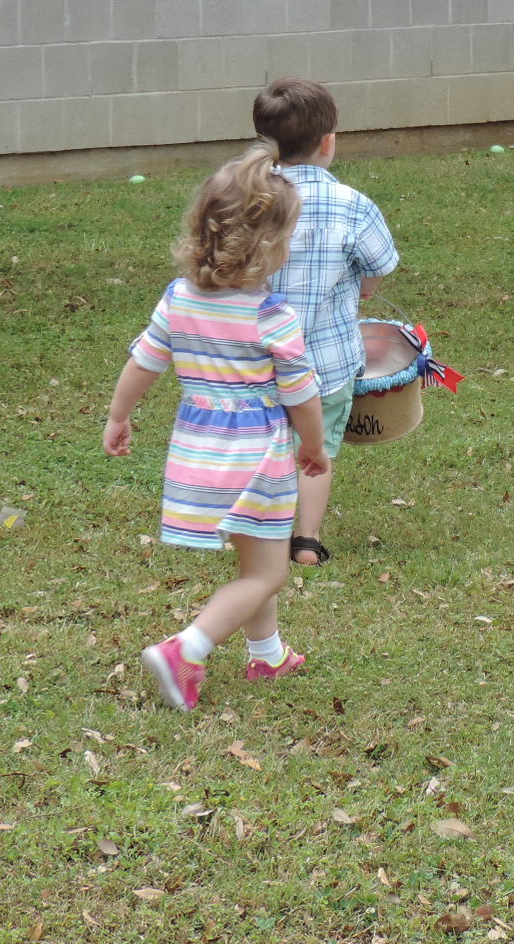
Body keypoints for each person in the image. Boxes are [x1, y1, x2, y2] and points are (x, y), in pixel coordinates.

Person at [103, 147, 332, 712]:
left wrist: (118, 415)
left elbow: (144, 363)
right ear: (266, 247)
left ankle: (268, 654)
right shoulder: (269, 315)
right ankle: (188, 648)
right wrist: (314, 445)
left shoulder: (179, 299)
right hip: (256, 458)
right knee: (268, 574)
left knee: (256, 558)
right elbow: (300, 394)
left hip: (197, 455)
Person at [253, 77, 400, 568]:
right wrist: (364, 288)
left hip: (253, 361)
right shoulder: (352, 205)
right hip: (326, 365)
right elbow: (378, 267)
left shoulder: (247, 201)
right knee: (314, 452)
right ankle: (306, 542)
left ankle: (255, 525)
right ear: (329, 142)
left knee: (264, 444)